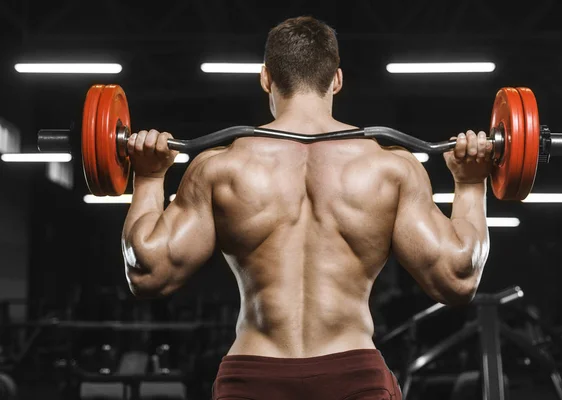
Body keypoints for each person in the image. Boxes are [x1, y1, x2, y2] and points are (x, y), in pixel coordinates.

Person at [121, 16, 492, 400]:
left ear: (266, 78)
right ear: (336, 79)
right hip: (352, 375)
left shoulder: (222, 167)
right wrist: (470, 182)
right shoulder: (388, 169)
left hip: (253, 376)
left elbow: (148, 273)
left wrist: (148, 178)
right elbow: (458, 278)